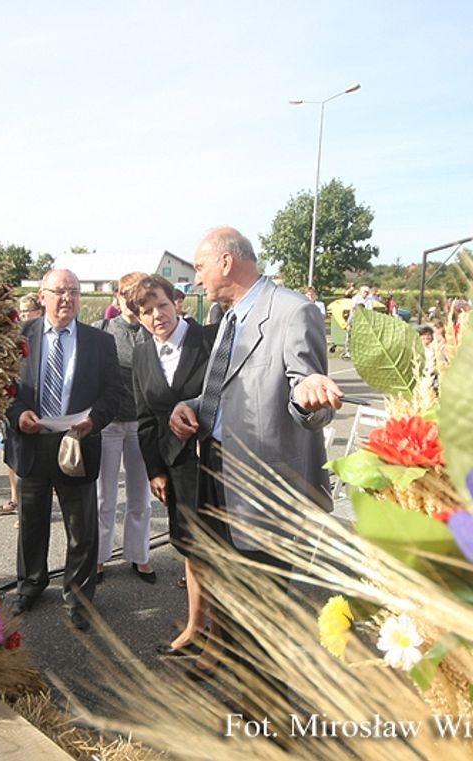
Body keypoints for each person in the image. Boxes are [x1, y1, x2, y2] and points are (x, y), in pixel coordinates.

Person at [169, 227, 343, 677]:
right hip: (216, 472)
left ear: (226, 262)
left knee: (264, 620)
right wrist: (188, 408)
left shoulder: (292, 312)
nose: (197, 279)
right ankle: (242, 692)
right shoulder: (230, 317)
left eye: (201, 267)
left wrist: (309, 395)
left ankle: (265, 725)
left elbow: (307, 395)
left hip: (264, 492)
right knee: (231, 594)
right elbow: (224, 392)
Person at [6, 269, 122, 630]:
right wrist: (17, 414)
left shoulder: (98, 342)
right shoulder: (18, 339)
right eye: (60, 291)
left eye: (74, 291)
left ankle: (80, 597)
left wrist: (94, 422)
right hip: (31, 442)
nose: (67, 298)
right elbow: (4, 389)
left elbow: (112, 394)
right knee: (32, 520)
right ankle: (31, 583)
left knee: (81, 527)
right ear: (43, 296)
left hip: (77, 443)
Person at [127, 275, 213, 656]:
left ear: (176, 302)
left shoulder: (208, 342)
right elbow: (145, 420)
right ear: (139, 318)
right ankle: (196, 627)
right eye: (146, 311)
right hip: (175, 469)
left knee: (220, 551)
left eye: (161, 305)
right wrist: (155, 470)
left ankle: (222, 640)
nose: (157, 315)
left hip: (215, 463)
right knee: (193, 550)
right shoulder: (143, 355)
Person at [92, 271, 154, 584]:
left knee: (140, 497)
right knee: (104, 498)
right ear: (117, 298)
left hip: (141, 424)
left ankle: (139, 555)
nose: (131, 300)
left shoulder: (153, 331)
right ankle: (100, 557)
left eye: (137, 294)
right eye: (125, 293)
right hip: (108, 424)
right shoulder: (103, 331)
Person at [0, 294, 44, 519]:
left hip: (42, 413)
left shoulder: (40, 337)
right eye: (20, 312)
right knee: (13, 455)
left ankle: (30, 508)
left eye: (27, 312)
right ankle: (16, 500)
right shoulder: (14, 338)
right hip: (17, 410)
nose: (23, 316)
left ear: (39, 312)